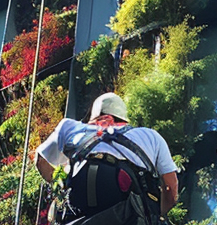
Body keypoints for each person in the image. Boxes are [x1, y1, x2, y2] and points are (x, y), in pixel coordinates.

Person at [35, 92, 179, 216]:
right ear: (123, 119)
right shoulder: (151, 136)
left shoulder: (68, 127)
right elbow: (171, 187)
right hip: (132, 224)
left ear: (93, 118)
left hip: (81, 220)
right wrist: (159, 215)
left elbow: (40, 160)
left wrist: (63, 188)